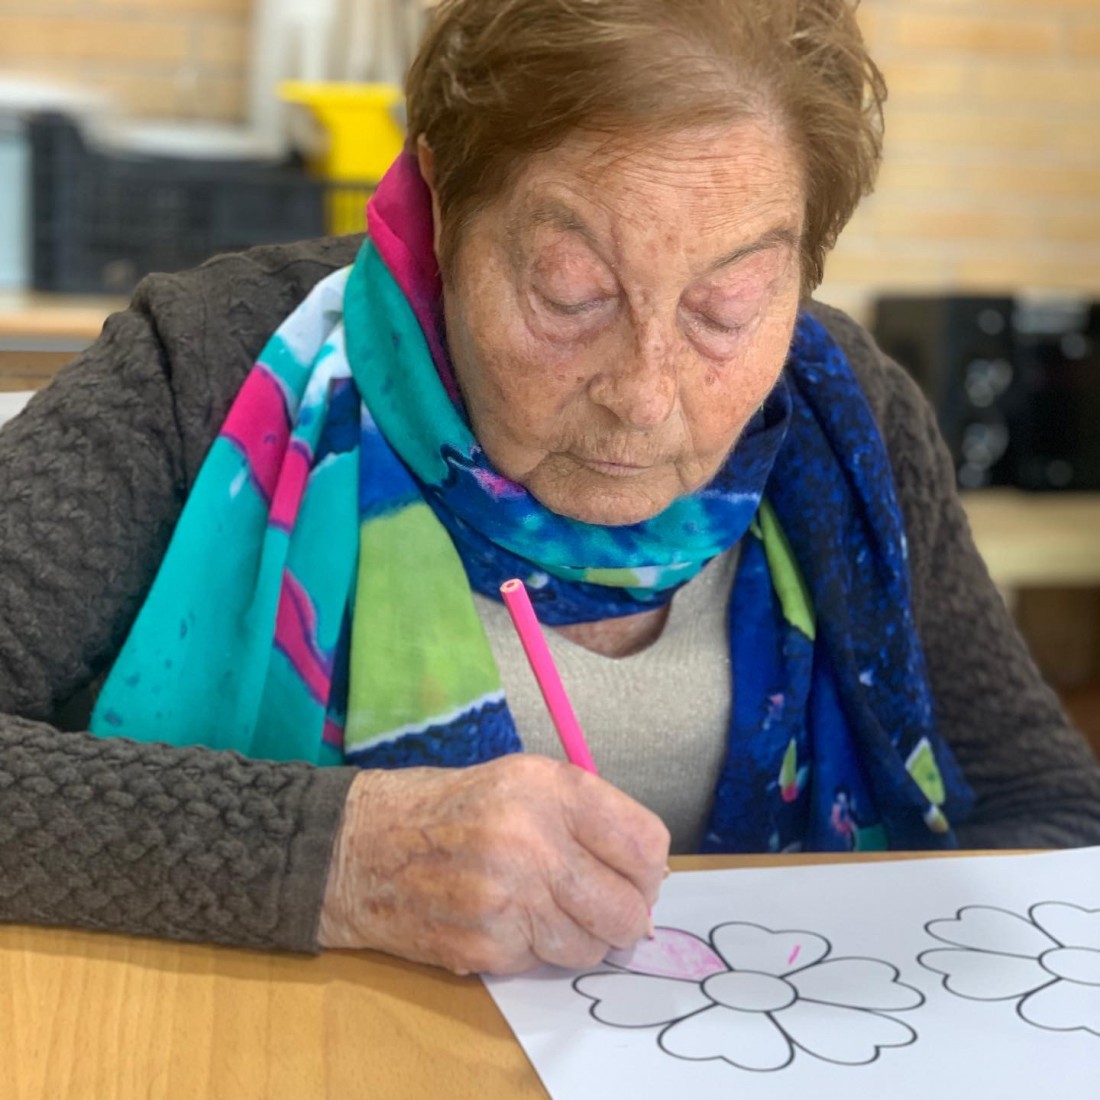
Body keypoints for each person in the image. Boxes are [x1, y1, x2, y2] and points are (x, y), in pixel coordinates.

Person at [1, 0, 1099, 978]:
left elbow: (1051, 814)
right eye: (571, 294)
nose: (642, 396)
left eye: (725, 308)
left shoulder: (844, 426)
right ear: (441, 204)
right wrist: (343, 853)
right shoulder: (209, 367)